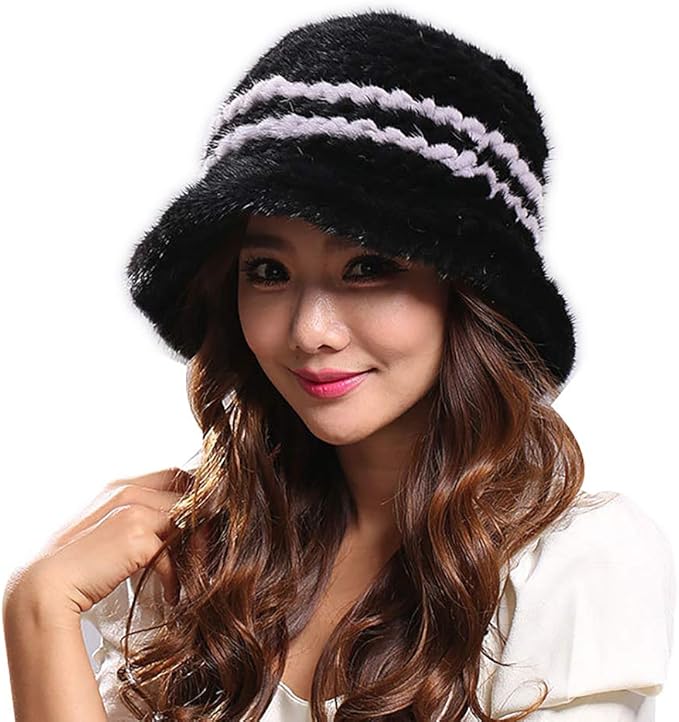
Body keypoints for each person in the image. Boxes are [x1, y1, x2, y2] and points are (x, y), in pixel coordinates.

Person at [4, 9, 674, 722]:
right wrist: (38, 612)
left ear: (466, 291)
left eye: (368, 266)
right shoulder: (192, 560)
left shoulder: (572, 563)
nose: (309, 332)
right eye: (268, 271)